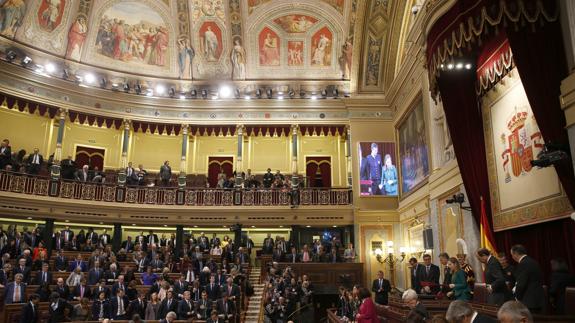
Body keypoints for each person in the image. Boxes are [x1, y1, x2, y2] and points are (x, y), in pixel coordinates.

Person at [510, 245, 545, 313]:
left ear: (516, 254)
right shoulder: (533, 261)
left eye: (512, 255)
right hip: (537, 300)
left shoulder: (523, 264)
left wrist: (516, 297)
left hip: (529, 301)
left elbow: (521, 284)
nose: (512, 257)